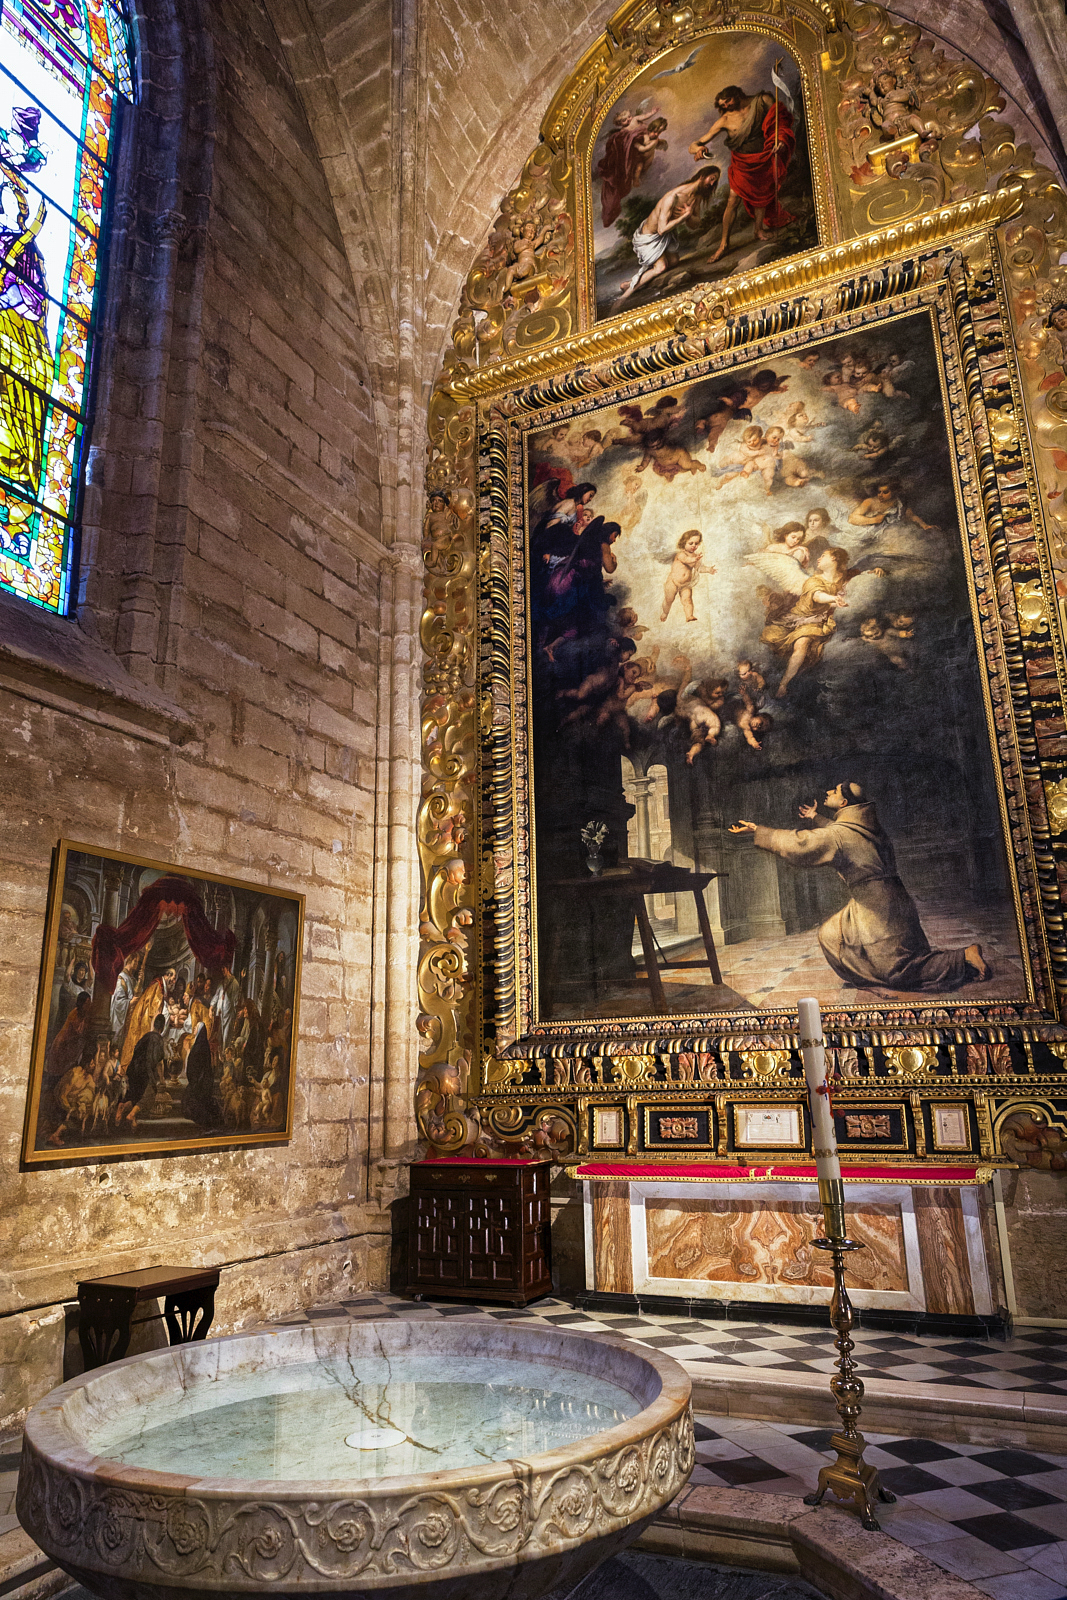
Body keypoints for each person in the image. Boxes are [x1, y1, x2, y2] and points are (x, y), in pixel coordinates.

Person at [729, 782, 990, 991]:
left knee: (898, 970)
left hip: (878, 905)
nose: (827, 792)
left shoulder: (841, 834)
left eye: (832, 792)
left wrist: (758, 831)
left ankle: (963, 956)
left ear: (843, 803)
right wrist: (817, 817)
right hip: (883, 898)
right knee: (832, 935)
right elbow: (841, 831)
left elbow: (804, 844)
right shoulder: (865, 827)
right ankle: (872, 974)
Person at [689, 84, 796, 262]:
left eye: (728, 101)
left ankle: (758, 230)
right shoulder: (724, 120)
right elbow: (694, 144)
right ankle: (723, 244)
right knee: (732, 200)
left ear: (737, 95)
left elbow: (781, 120)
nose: (726, 106)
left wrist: (780, 138)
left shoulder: (762, 101)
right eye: (723, 105)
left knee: (762, 194)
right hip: (742, 164)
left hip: (765, 157)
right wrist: (698, 149)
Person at [614, 167, 720, 306]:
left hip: (666, 235)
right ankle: (624, 297)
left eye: (715, 181)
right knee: (661, 267)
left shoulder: (696, 197)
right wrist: (685, 216)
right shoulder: (673, 197)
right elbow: (661, 229)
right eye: (711, 178)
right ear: (702, 175)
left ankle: (629, 283)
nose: (712, 184)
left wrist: (690, 215)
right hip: (649, 237)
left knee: (674, 262)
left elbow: (695, 224)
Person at [597, 109, 668, 227]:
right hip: (633, 149)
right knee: (636, 166)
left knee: (640, 164)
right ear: (620, 123)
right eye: (625, 120)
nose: (629, 120)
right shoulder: (625, 134)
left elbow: (645, 115)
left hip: (639, 145)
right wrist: (652, 144)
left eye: (629, 117)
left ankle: (636, 177)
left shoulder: (638, 123)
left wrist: (653, 112)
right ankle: (634, 178)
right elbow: (640, 148)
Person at [662, 530, 716, 622]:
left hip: (686, 584)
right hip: (673, 582)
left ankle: (689, 616)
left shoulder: (696, 557)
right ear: (684, 543)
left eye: (696, 543)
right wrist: (695, 559)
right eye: (691, 543)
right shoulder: (681, 554)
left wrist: (708, 570)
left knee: (688, 600)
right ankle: (665, 613)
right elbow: (686, 560)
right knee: (669, 600)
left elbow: (699, 568)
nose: (694, 545)